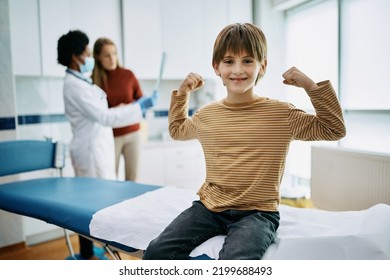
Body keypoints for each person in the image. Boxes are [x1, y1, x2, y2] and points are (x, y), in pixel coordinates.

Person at [142, 23, 346, 260]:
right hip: (209, 208)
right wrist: (182, 94)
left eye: (247, 60)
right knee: (156, 252)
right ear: (216, 67)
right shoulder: (207, 115)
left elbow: (334, 129)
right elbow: (177, 130)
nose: (238, 69)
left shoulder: (281, 114)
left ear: (263, 66)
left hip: (257, 214)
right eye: (229, 61)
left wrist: (311, 87)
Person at [57, 30, 156, 260]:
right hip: (90, 152)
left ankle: (92, 249)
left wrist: (131, 108)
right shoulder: (74, 85)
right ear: (76, 57)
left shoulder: (82, 81)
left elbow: (105, 113)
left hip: (97, 149)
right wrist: (138, 108)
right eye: (88, 53)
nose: (90, 58)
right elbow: (105, 117)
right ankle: (88, 253)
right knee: (88, 203)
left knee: (97, 199)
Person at [92, 38, 150, 181]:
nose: (112, 59)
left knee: (133, 178)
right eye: (107, 55)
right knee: (110, 179)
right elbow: (98, 111)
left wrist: (130, 107)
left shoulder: (128, 75)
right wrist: (116, 109)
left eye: (114, 53)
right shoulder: (94, 81)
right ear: (98, 57)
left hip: (133, 133)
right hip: (111, 137)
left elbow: (141, 101)